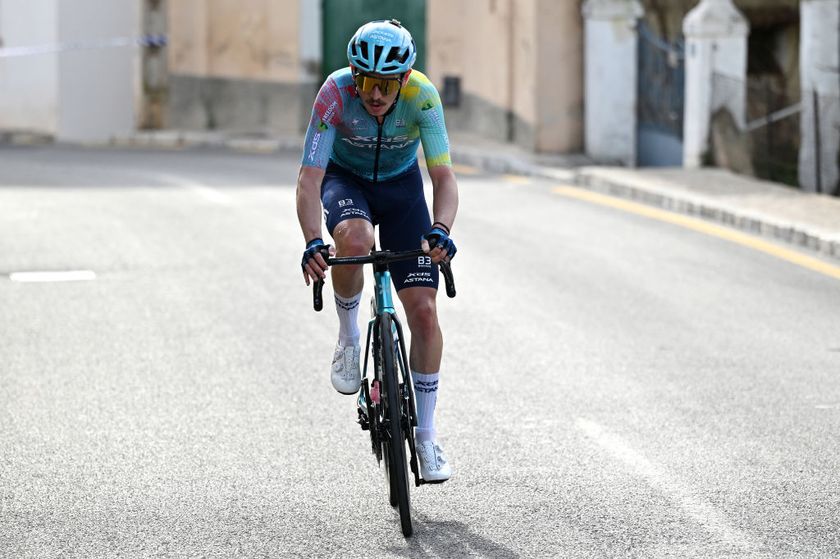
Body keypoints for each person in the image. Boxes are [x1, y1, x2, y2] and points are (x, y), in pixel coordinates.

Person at [296, 19, 458, 482]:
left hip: (402, 188)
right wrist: (312, 240)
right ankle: (348, 337)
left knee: (424, 312)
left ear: (403, 79)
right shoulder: (334, 93)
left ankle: (425, 437)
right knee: (354, 240)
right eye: (366, 81)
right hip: (345, 182)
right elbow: (309, 178)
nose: (374, 94)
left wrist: (442, 229)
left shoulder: (423, 96)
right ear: (353, 74)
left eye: (386, 84)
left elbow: (443, 178)